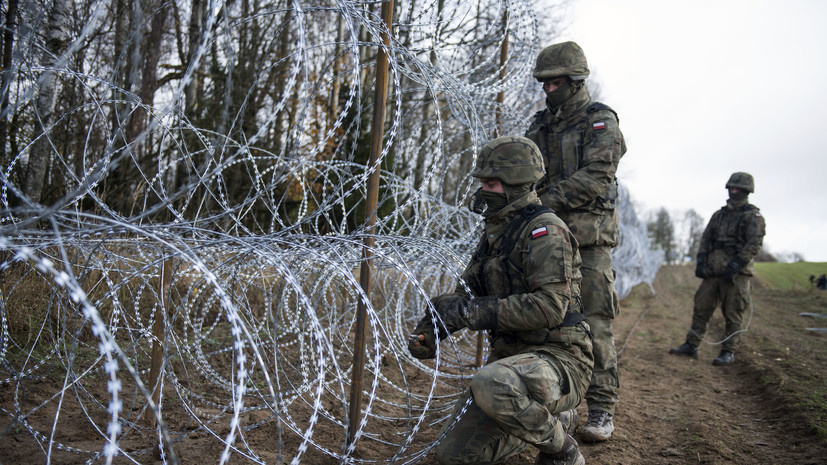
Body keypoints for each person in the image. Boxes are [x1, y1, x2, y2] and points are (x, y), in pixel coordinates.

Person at [409, 136, 594, 465]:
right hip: (511, 359)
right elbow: (465, 294)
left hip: (559, 359)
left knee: (490, 383)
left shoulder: (545, 232)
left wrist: (470, 313)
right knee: (455, 455)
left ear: (516, 184)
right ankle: (556, 420)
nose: (483, 190)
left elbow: (550, 307)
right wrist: (432, 329)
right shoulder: (494, 235)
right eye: (482, 182)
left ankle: (562, 449)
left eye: (491, 183)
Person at [524, 41, 626, 443]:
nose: (549, 90)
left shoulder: (599, 122)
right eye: (544, 83)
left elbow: (596, 177)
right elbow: (526, 171)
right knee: (549, 324)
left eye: (557, 82)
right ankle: (563, 405)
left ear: (576, 79)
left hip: (589, 242)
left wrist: (542, 204)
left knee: (595, 323)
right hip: (547, 241)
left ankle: (601, 407)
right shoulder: (539, 126)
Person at [669, 172, 766, 365]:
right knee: (701, 308)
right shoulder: (719, 215)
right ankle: (692, 345)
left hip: (736, 274)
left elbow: (754, 243)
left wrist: (738, 263)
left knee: (733, 312)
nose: (733, 190)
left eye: (738, 188)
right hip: (713, 271)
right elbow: (706, 239)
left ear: (747, 190)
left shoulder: (752, 216)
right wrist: (701, 261)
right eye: (731, 187)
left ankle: (728, 351)